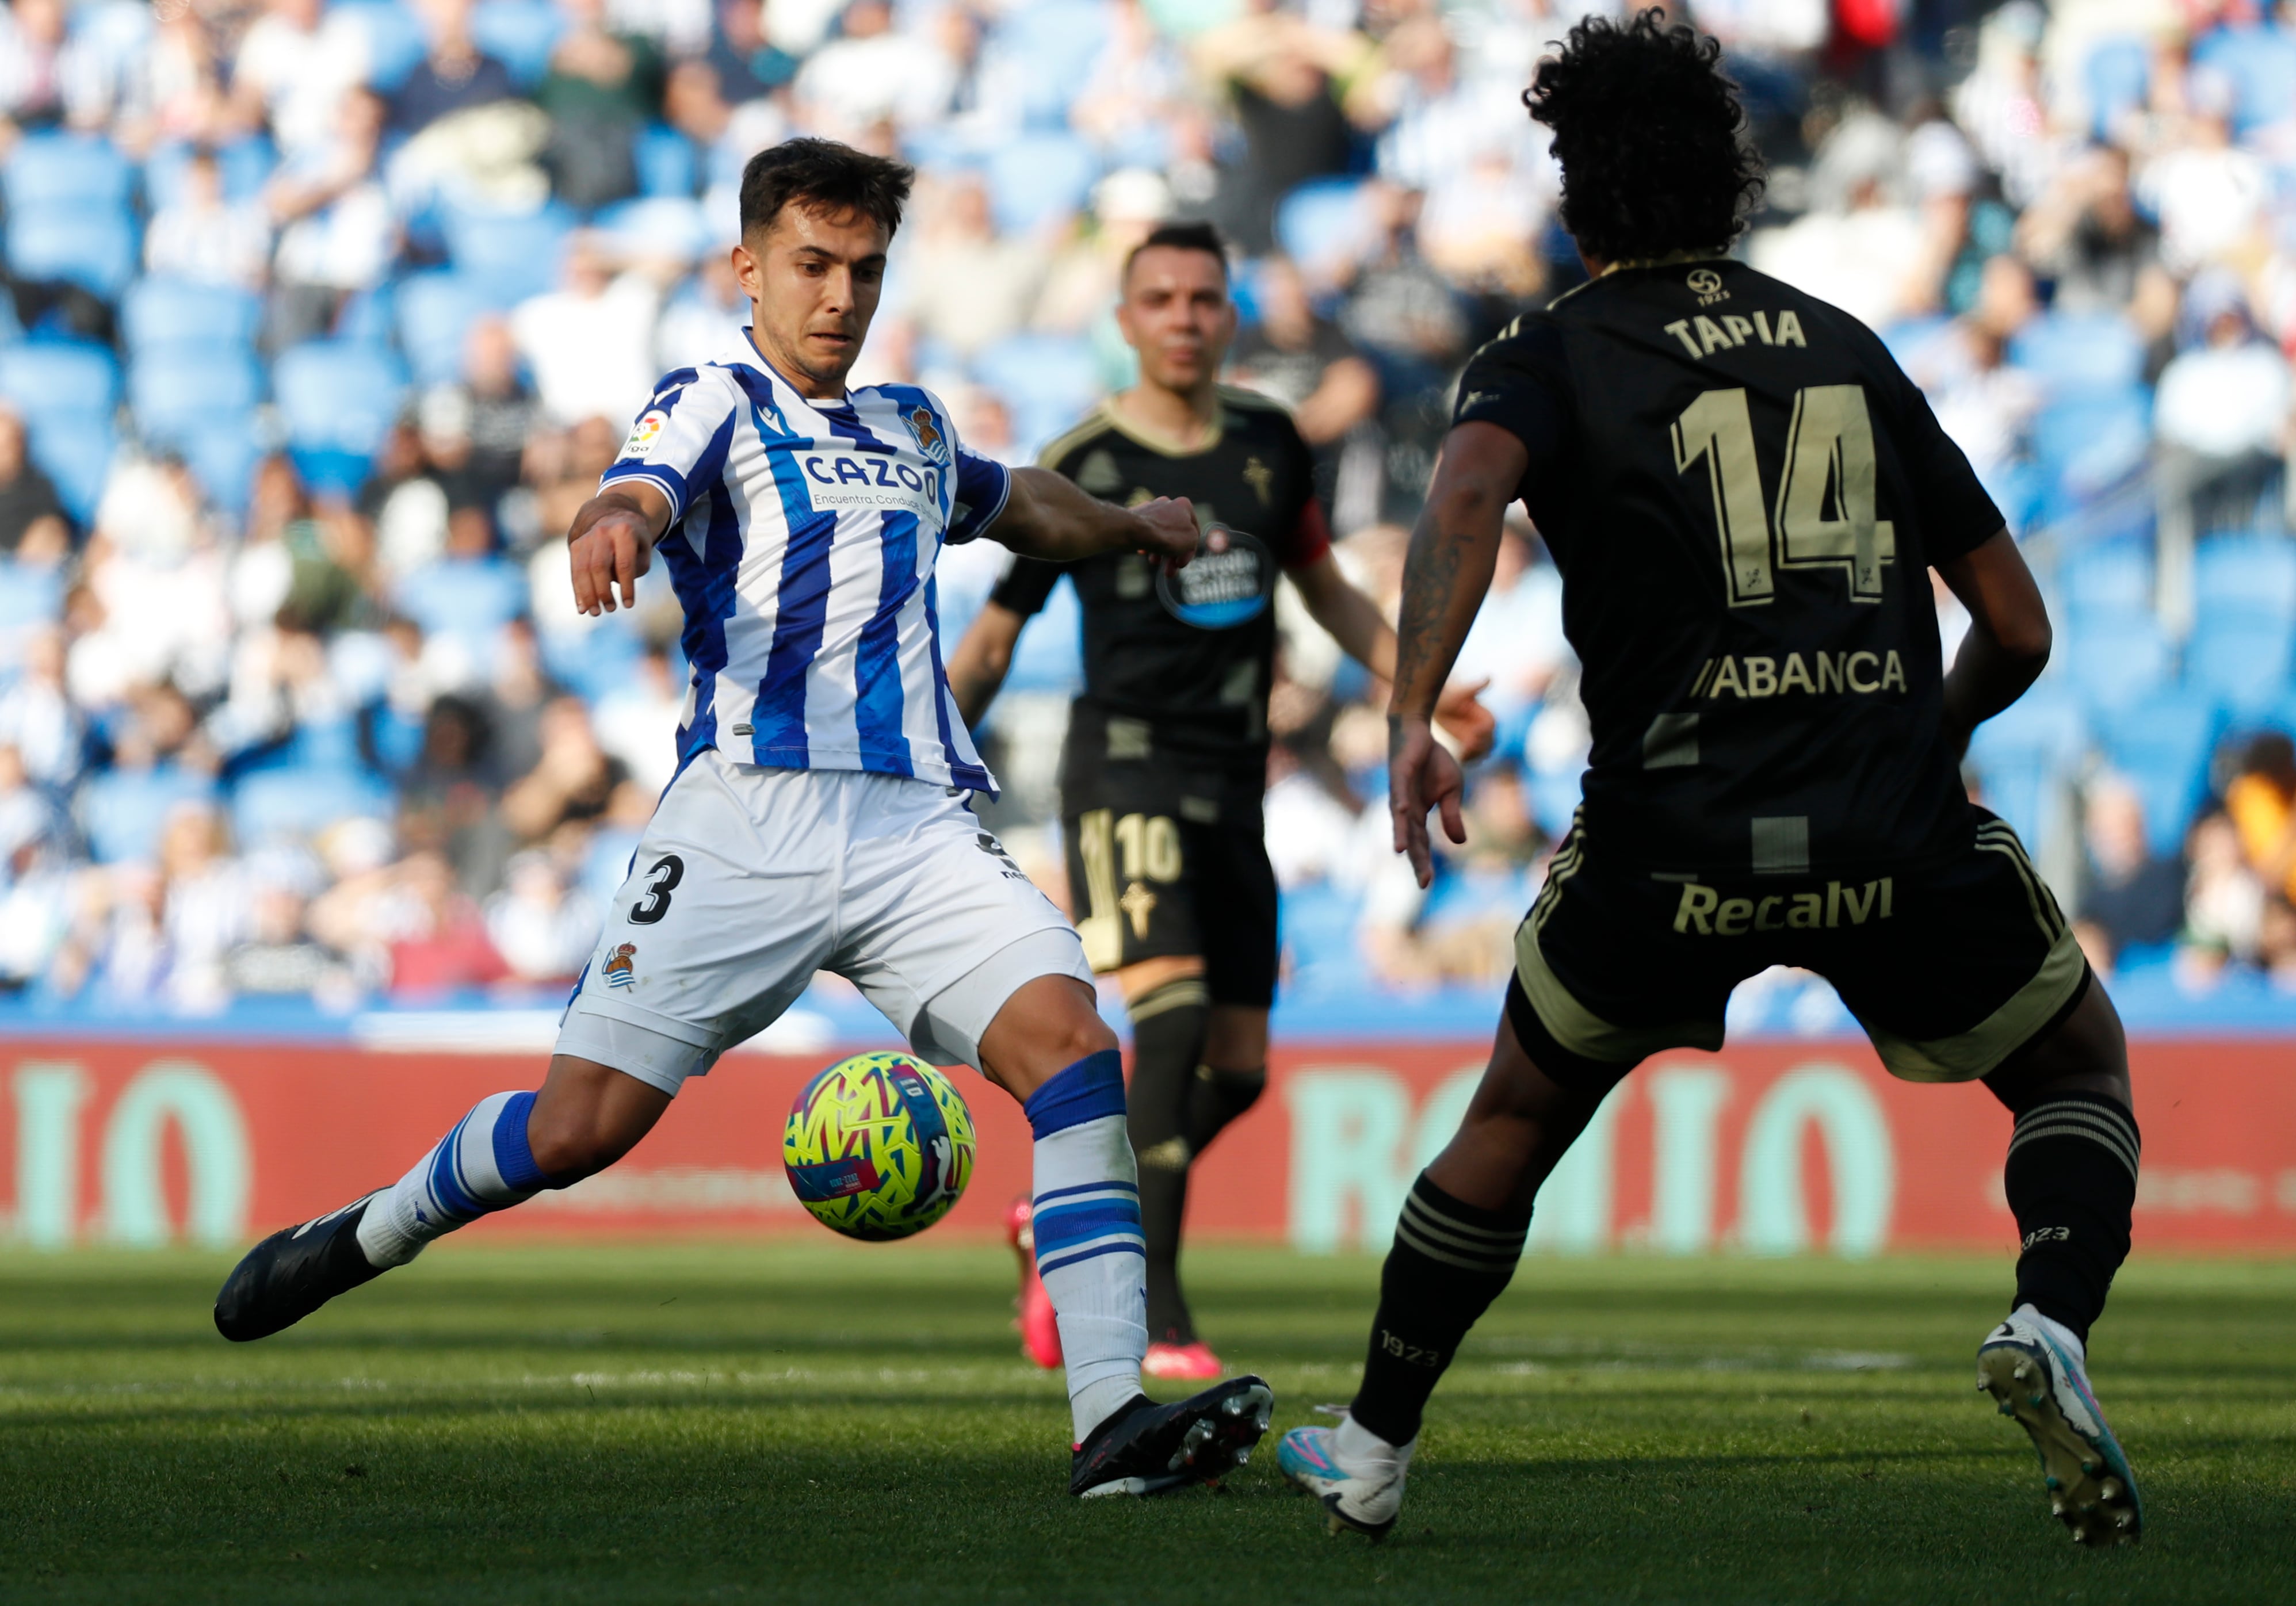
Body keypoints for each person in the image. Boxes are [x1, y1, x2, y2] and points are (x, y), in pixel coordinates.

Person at [212, 137, 1275, 1500]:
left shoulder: (912, 428)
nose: (840, 297)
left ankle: (1113, 1420)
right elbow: (641, 485)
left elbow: (1026, 508)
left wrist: (1134, 525)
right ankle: (372, 1229)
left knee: (1076, 1050)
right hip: (742, 823)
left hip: (910, 826)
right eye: (813, 266)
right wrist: (613, 523)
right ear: (749, 269)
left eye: (865, 272)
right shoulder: (713, 397)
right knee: (576, 1131)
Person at [1275, 14, 2144, 1548]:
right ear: (1731, 178)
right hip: (1887, 825)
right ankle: (2049, 1323)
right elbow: (2015, 627)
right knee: (2072, 1068)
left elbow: (1468, 488)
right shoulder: (1846, 347)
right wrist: (1920, 744)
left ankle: (1371, 1447)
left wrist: (1409, 707)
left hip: (1667, 836)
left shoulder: (1543, 354)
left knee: (1512, 1122)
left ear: (1575, 189)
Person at [945, 220, 1493, 1380]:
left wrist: (1423, 690)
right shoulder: (1085, 461)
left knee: (1236, 1072)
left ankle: (1065, 1221)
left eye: (1205, 297)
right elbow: (997, 632)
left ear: (1229, 314)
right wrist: (923, 748)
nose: (1186, 317)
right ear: (1127, 321)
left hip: (1239, 778)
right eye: (1162, 299)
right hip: (1125, 770)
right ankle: (1159, 1315)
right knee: (1175, 1018)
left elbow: (1326, 588)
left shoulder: (1266, 441)